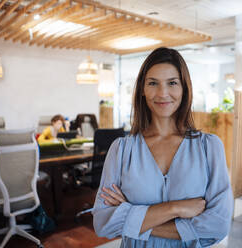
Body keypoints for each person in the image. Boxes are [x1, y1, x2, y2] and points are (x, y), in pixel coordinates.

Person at [92, 47, 233, 247]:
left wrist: (130, 215)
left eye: (172, 83)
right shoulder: (121, 150)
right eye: (153, 83)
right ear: (142, 88)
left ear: (184, 89)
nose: (162, 93)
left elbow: (217, 226)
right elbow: (103, 223)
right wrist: (175, 208)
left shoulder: (209, 147)